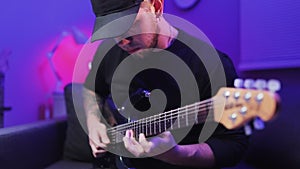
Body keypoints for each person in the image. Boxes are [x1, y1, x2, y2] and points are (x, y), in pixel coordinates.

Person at [83, 0, 248, 169]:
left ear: (156, 6)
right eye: (113, 30)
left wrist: (175, 154)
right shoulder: (108, 52)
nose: (123, 41)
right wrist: (93, 122)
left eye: (129, 25)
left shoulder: (210, 64)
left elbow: (233, 145)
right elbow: (91, 90)